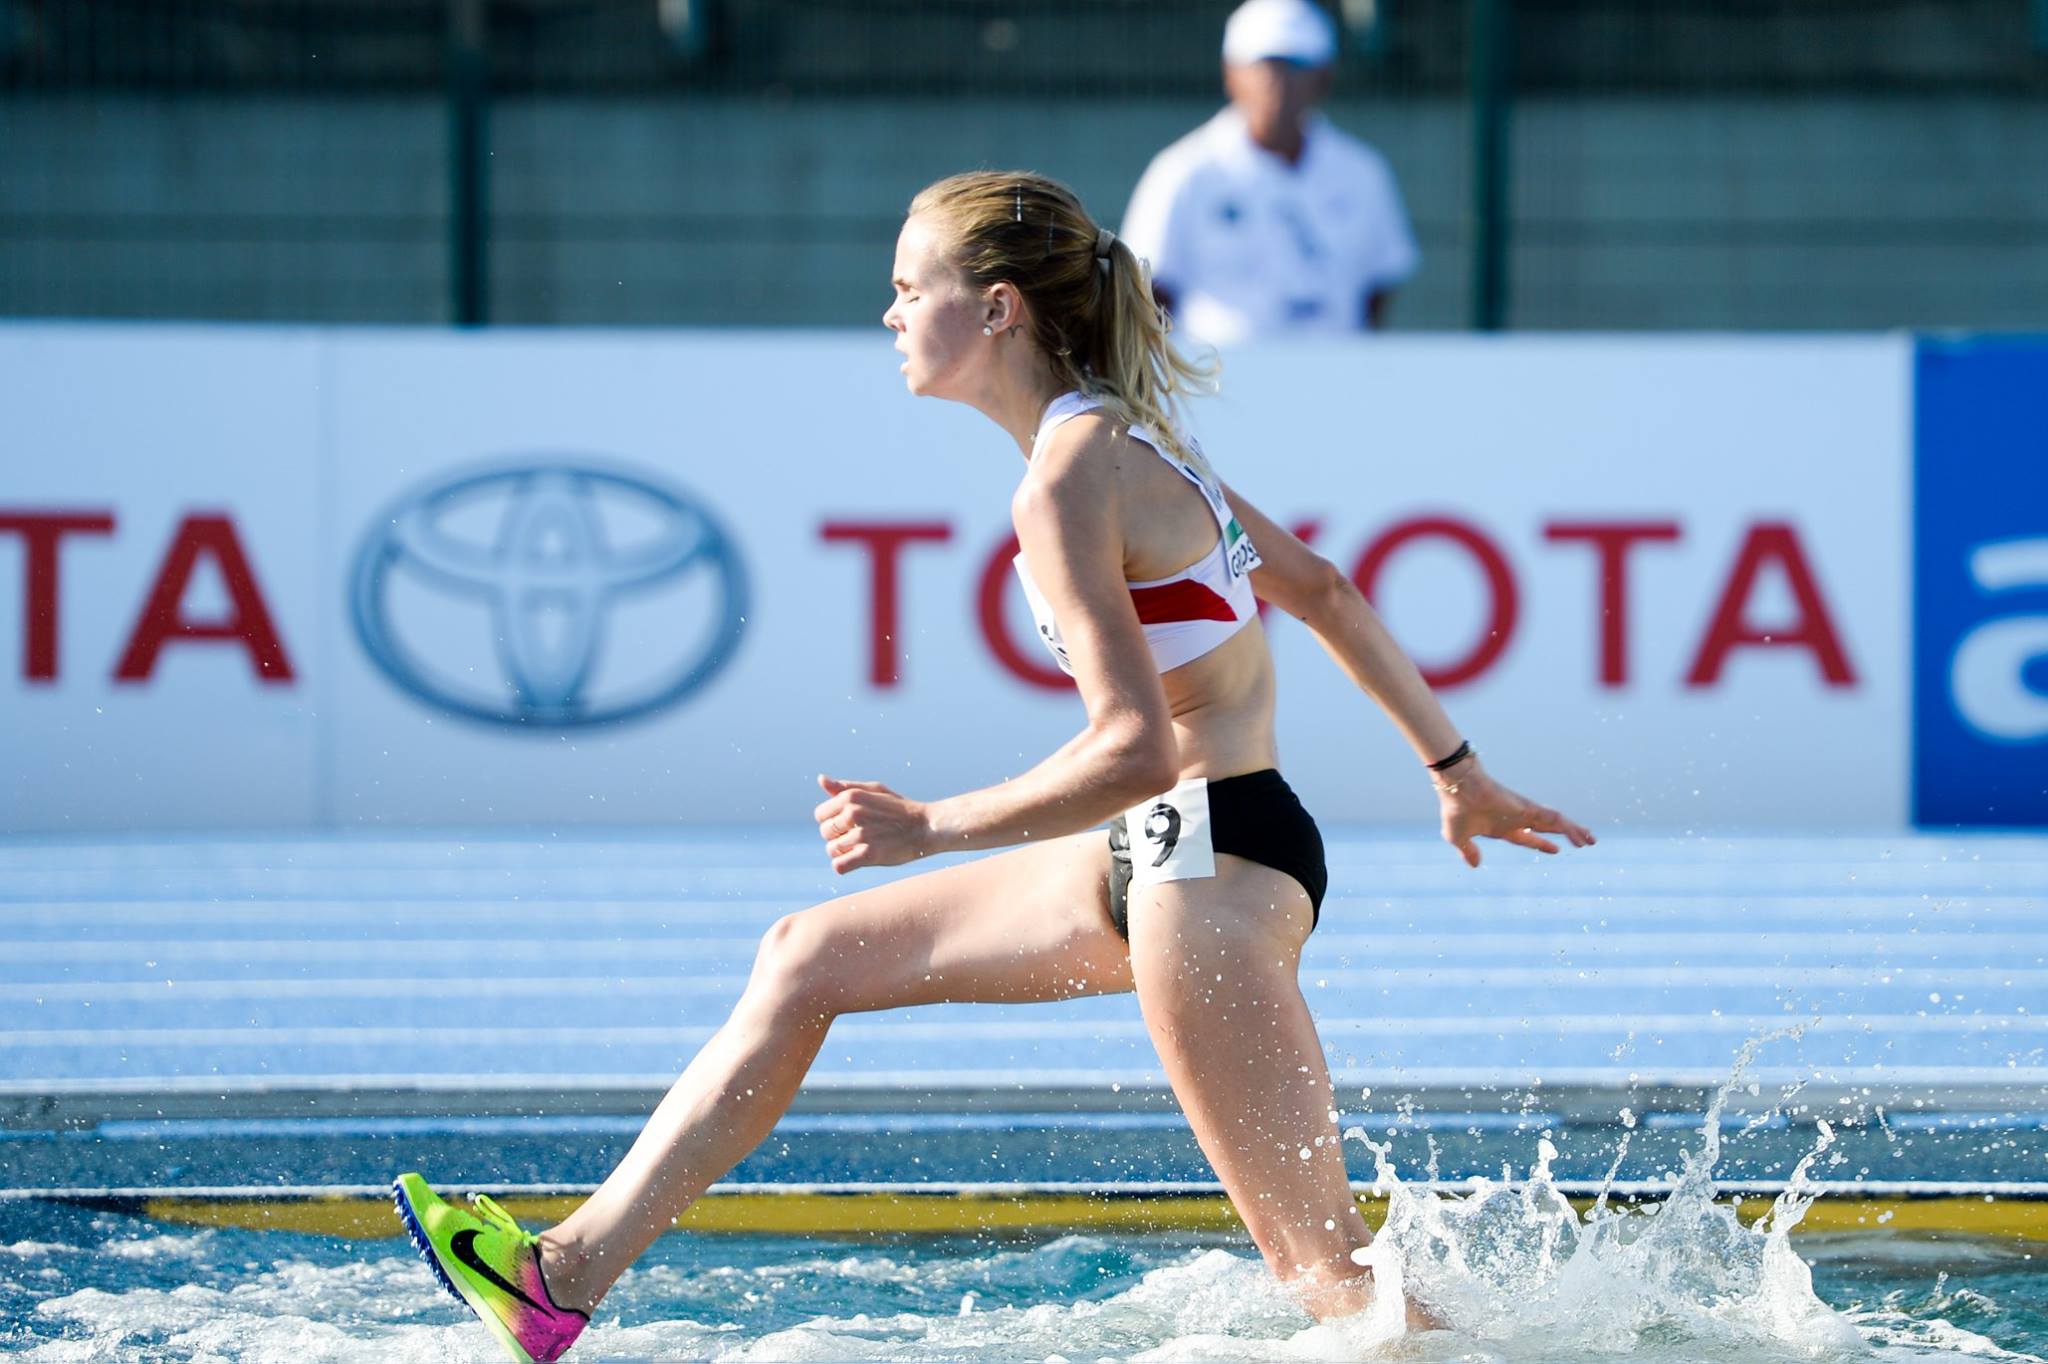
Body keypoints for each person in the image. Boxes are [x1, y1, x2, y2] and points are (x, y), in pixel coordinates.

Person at [390, 169, 1592, 1362]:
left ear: (999, 307)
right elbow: (1320, 589)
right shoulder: (1124, 438)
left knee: (1327, 1276)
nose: (890, 313)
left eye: (910, 287)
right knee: (805, 955)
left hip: (1208, 860)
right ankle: (560, 1276)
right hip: (1175, 846)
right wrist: (1454, 767)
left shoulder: (1070, 475)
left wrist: (930, 825)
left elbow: (1132, 746)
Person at [1120, 0, 1419, 345]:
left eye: (1296, 65)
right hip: (1218, 372)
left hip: (1337, 370)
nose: (1279, 81)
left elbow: (1380, 284)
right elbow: (1148, 289)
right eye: (1264, 65)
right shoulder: (1182, 170)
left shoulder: (1363, 172)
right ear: (1231, 73)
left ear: (1324, 77)